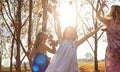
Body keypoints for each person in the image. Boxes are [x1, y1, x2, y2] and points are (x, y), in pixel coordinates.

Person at [96, 1, 120, 72]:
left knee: (112, 69)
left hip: (112, 51)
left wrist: (101, 7)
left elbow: (98, 16)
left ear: (111, 12)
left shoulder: (108, 22)